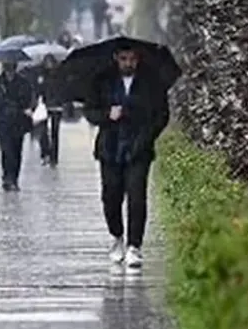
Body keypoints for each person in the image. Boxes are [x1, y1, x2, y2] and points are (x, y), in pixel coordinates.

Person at [82, 43, 169, 268]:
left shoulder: (151, 82)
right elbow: (89, 111)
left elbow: (162, 114)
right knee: (110, 197)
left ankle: (134, 246)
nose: (128, 63)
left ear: (138, 59)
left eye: (132, 59)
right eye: (123, 58)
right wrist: (106, 114)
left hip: (138, 148)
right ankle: (117, 236)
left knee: (137, 196)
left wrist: (147, 134)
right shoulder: (102, 80)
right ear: (116, 58)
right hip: (110, 148)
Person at [0, 61, 35, 191]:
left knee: (16, 151)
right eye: (7, 68)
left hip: (18, 122)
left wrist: (19, 106)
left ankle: (14, 178)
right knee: (7, 150)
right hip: (2, 121)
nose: (9, 71)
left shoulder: (23, 83)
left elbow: (29, 100)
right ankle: (8, 177)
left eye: (11, 68)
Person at [24, 54, 65, 166]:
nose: (49, 65)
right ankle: (45, 153)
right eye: (47, 62)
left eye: (50, 62)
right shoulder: (41, 74)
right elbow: (37, 90)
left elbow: (63, 89)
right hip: (44, 106)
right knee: (42, 131)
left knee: (55, 133)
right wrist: (34, 104)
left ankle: (54, 157)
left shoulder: (59, 74)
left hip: (57, 106)